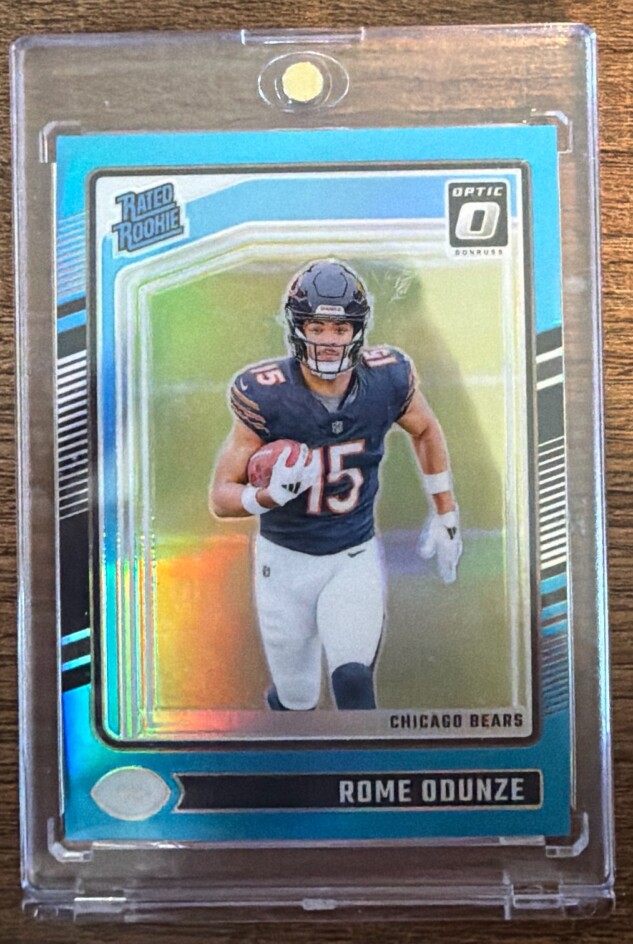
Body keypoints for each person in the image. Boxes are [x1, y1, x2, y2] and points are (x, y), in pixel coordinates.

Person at [210, 259, 462, 711]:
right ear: (297, 329)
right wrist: (266, 496)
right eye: (317, 327)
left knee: (353, 679)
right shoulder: (267, 394)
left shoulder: (386, 379)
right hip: (283, 564)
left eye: (340, 329)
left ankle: (366, 757)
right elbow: (221, 496)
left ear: (357, 332)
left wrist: (446, 510)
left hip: (352, 557)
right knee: (297, 700)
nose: (328, 341)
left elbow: (425, 429)